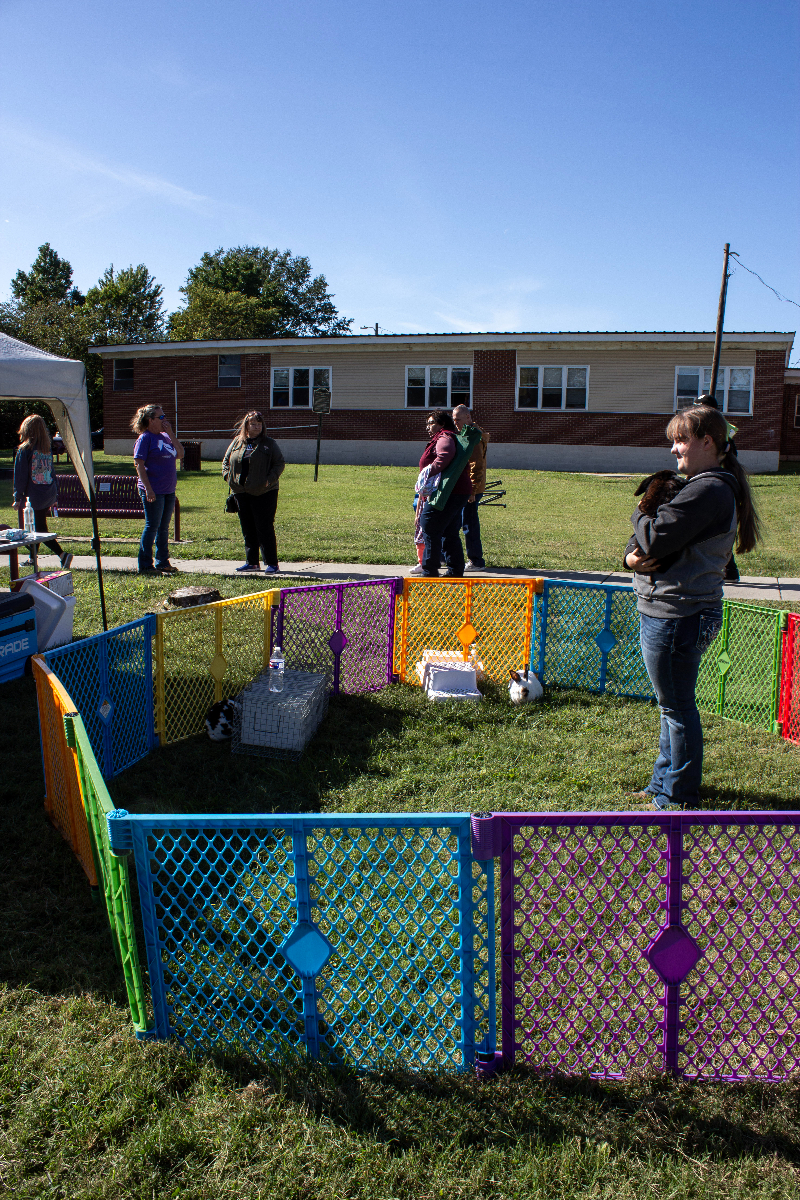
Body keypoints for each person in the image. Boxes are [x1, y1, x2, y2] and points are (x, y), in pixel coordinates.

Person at [624, 404, 760, 810]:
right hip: (677, 610)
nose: (673, 449)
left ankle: (677, 794)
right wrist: (631, 556)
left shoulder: (708, 489)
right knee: (672, 705)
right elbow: (647, 545)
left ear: (707, 442)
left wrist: (639, 510)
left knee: (677, 707)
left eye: (681, 440)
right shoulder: (704, 486)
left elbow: (653, 538)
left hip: (678, 614)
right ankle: (662, 784)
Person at [222, 411, 285, 574]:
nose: (257, 427)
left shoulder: (269, 444)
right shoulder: (237, 442)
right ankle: (252, 563)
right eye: (253, 424)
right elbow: (226, 462)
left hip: (264, 492)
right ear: (246, 426)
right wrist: (228, 477)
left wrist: (269, 480)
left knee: (264, 527)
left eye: (259, 424)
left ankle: (272, 563)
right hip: (241, 491)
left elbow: (279, 463)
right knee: (247, 527)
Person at [410, 409, 472, 577]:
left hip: (449, 491)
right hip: (458, 490)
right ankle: (455, 570)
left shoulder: (445, 437)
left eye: (431, 423)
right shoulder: (450, 436)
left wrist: (428, 472)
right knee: (449, 530)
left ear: (442, 424)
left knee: (429, 523)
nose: (428, 427)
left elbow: (445, 455)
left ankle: (429, 571)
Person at [12, 414, 73, 570]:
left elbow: (20, 476)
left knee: (38, 529)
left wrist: (17, 497)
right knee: (38, 525)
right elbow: (52, 472)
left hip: (34, 495)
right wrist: (55, 495)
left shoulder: (25, 450)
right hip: (48, 493)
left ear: (26, 429)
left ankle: (62, 554)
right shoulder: (46, 450)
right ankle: (32, 558)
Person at [132, 404, 184, 575]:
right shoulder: (145, 438)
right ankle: (145, 565)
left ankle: (162, 562)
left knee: (163, 527)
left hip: (168, 489)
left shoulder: (166, 436)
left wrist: (171, 433)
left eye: (164, 416)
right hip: (153, 490)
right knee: (152, 526)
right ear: (150, 420)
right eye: (160, 417)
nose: (164, 420)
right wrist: (148, 489)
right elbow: (139, 465)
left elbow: (181, 453)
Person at [453, 404, 488, 569]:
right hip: (467, 487)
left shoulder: (474, 436)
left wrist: (472, 491)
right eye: (454, 420)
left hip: (471, 489)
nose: (456, 424)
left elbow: (477, 466)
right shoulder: (470, 433)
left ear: (468, 417)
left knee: (469, 524)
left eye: (458, 420)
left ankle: (476, 561)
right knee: (463, 522)